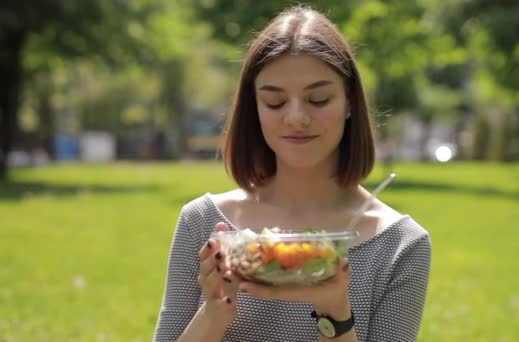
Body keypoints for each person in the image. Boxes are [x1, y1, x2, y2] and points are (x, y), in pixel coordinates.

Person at [154, 6, 431, 342]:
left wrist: (335, 314)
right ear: (254, 109)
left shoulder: (400, 245)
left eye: (318, 99)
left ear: (349, 104)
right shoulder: (203, 224)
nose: (296, 117)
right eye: (274, 103)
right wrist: (213, 315)